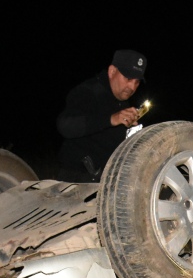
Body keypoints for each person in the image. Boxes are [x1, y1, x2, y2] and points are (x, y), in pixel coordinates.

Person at [56, 49, 148, 182]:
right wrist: (111, 119)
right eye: (128, 78)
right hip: (76, 182)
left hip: (107, 181)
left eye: (137, 82)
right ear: (112, 71)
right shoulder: (88, 92)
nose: (132, 87)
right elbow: (65, 126)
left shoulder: (123, 102)